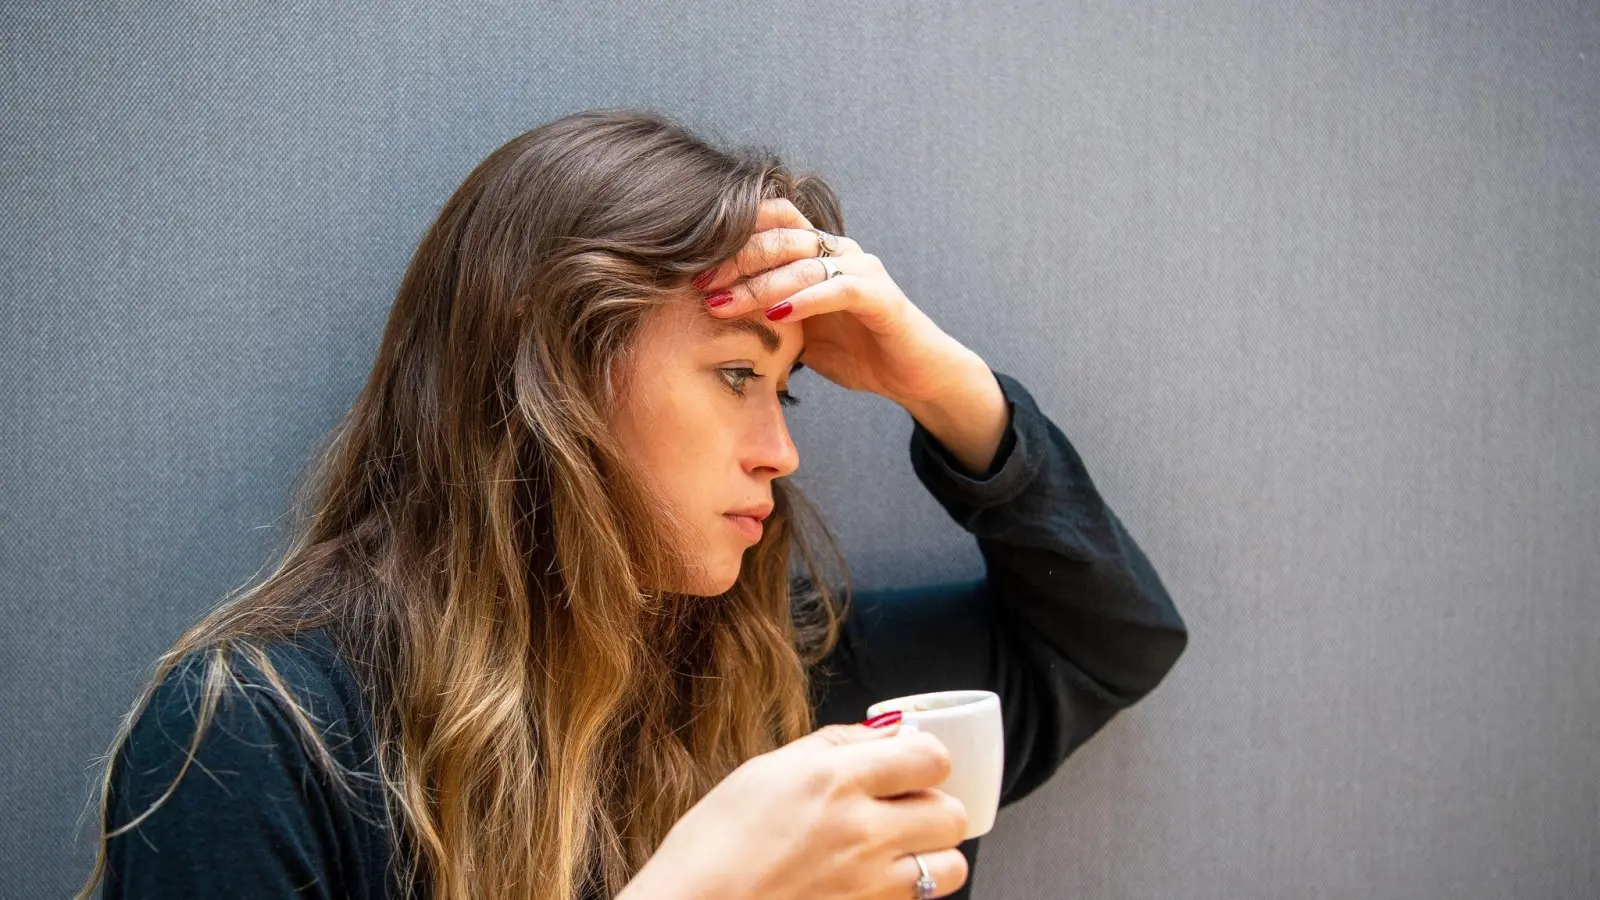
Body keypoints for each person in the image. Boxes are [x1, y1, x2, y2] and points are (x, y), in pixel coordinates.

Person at [75, 108, 1188, 900]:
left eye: (787, 386)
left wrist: (934, 378)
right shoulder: (258, 738)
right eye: (737, 376)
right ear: (554, 362)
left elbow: (1108, 642)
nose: (784, 453)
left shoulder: (784, 677)